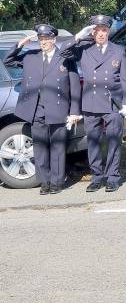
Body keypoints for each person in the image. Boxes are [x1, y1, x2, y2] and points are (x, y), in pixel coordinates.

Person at [60, 14, 126, 193]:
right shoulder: (84, 49)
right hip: (91, 103)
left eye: (104, 30)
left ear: (108, 31)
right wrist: (78, 36)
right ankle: (97, 176)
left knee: (113, 142)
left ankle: (112, 177)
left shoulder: (118, 50)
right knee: (93, 143)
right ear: (92, 33)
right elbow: (63, 52)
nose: (101, 34)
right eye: (97, 30)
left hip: (112, 104)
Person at [3, 24, 81, 194]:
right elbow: (7, 61)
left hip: (59, 110)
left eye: (46, 39)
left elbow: (75, 86)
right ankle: (44, 182)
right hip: (36, 110)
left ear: (54, 40)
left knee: (58, 148)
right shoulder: (31, 57)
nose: (43, 42)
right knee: (40, 148)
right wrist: (19, 45)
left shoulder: (65, 58)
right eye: (41, 39)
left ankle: (57, 183)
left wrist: (74, 111)